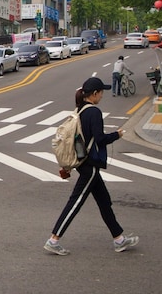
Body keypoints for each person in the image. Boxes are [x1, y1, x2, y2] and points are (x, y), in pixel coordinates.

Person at [44, 77, 139, 256]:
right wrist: (117, 135)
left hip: (84, 163)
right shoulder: (94, 112)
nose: (102, 96)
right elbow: (100, 139)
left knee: (104, 202)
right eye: (101, 92)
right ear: (94, 94)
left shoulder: (80, 110)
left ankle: (119, 239)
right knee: (76, 202)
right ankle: (53, 240)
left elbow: (79, 141)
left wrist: (69, 167)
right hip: (90, 165)